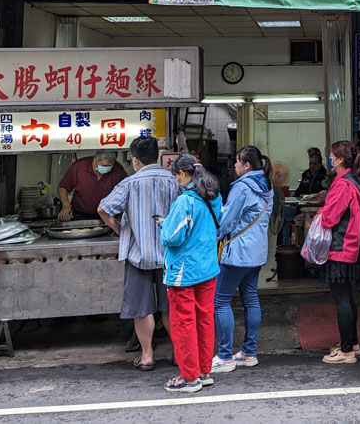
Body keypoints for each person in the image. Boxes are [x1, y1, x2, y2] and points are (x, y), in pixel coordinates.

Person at [97, 137, 179, 373]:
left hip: (138, 254)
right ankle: (177, 352)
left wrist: (120, 229)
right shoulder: (174, 181)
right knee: (170, 306)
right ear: (157, 156)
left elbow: (103, 209)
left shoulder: (129, 183)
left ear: (135, 160)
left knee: (142, 308)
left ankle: (146, 356)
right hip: (170, 255)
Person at [159, 155, 224, 393]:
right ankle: (204, 371)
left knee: (183, 323)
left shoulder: (185, 201)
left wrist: (163, 225)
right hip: (208, 268)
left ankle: (189, 377)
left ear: (183, 174)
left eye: (176, 175)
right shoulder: (214, 197)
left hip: (184, 272)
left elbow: (171, 237)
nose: (176, 180)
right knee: (205, 319)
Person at [211, 146, 274, 374]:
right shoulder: (267, 186)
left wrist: (214, 235)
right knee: (251, 299)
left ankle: (225, 356)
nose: (234, 166)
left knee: (220, 301)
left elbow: (226, 221)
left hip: (236, 253)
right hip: (257, 253)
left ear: (247, 165)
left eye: (237, 162)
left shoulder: (242, 187)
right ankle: (249, 352)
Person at [319, 140, 360, 365]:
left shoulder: (342, 185)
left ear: (340, 160)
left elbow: (331, 218)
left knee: (342, 299)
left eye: (331, 155)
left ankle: (346, 351)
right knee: (347, 297)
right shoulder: (352, 181)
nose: (329, 159)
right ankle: (353, 343)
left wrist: (322, 211)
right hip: (350, 246)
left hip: (339, 247)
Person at [60, 151, 128, 222]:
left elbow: (126, 191)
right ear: (95, 159)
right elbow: (63, 188)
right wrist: (66, 205)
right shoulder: (79, 166)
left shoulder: (118, 169)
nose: (106, 168)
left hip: (107, 216)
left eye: (109, 166)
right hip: (79, 215)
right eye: (103, 165)